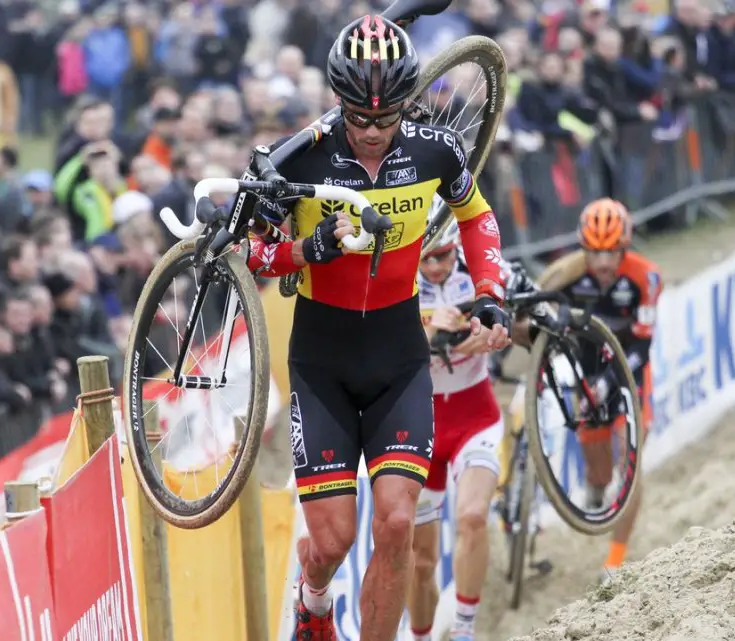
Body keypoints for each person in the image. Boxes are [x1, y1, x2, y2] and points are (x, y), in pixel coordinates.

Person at [242, 15, 511, 640]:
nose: (369, 131)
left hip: (398, 358)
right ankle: (313, 603)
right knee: (331, 541)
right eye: (357, 118)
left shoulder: (433, 149)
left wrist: (491, 290)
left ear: (406, 104)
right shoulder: (300, 155)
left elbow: (478, 217)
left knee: (396, 525)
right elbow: (256, 256)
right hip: (321, 361)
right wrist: (308, 250)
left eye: (384, 118)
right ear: (337, 102)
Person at [512, 198, 662, 586]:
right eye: (595, 253)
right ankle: (596, 487)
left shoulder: (645, 278)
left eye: (612, 252)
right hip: (585, 369)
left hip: (628, 369)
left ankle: (615, 557)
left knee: (632, 461)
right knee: (598, 470)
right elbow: (525, 314)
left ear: (625, 246)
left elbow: (644, 347)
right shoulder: (565, 274)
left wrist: (611, 383)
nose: (604, 263)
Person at [408, 225, 504, 641]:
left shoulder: (475, 270)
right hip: (418, 427)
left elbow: (513, 309)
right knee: (422, 560)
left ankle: (464, 631)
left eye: (443, 256)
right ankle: (421, 636)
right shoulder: (399, 280)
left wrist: (492, 329)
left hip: (473, 416)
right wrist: (430, 333)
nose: (434, 266)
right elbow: (382, 347)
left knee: (472, 517)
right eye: (426, 258)